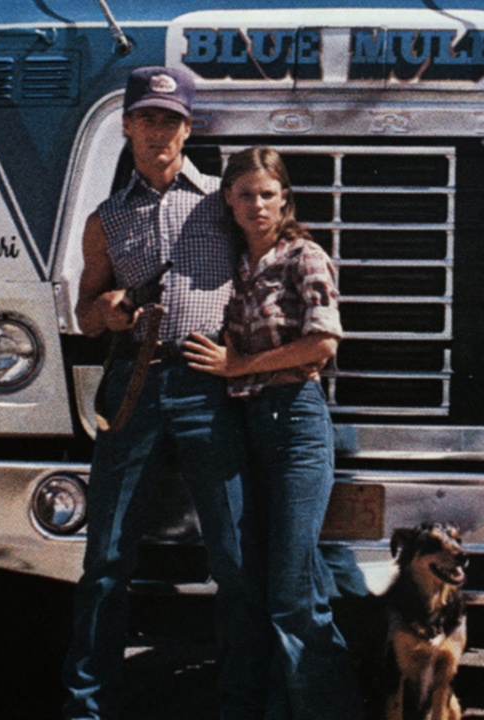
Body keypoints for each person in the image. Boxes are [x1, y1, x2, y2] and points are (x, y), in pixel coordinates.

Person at [63, 67, 262, 720]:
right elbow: (85, 310)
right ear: (126, 126)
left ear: (189, 128)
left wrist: (243, 358)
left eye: (171, 120)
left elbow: (265, 281)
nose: (159, 132)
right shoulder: (106, 218)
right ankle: (88, 709)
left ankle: (241, 704)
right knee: (107, 558)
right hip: (134, 386)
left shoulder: (223, 202)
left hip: (208, 385)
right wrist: (108, 311)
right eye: (146, 119)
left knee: (234, 559)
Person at [183, 146, 362, 720]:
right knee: (252, 583)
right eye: (244, 194)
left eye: (267, 194)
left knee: (292, 592)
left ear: (284, 198)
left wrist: (239, 367)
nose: (256, 205)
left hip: (296, 425)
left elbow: (321, 345)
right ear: (227, 202)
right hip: (244, 430)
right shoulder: (231, 264)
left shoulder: (303, 257)